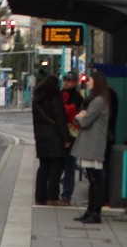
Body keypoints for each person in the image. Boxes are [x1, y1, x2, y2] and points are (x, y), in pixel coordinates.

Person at [72, 70, 111, 225]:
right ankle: (91, 211)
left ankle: (95, 213)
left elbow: (85, 122)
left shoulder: (98, 101)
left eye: (90, 80)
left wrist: (79, 117)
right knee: (93, 179)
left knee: (95, 179)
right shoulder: (100, 100)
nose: (87, 83)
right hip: (92, 144)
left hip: (93, 145)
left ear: (96, 83)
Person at [30, 74, 70, 205]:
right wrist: (66, 139)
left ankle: (40, 197)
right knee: (56, 168)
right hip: (55, 137)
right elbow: (60, 120)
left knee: (43, 167)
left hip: (41, 137)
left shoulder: (36, 99)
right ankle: (52, 197)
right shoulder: (54, 98)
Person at [60, 72, 84, 204]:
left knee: (69, 165)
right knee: (59, 165)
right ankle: (55, 193)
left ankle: (66, 195)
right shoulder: (59, 94)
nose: (66, 83)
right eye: (65, 80)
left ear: (75, 83)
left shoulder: (77, 97)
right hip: (58, 134)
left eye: (69, 81)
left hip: (71, 135)